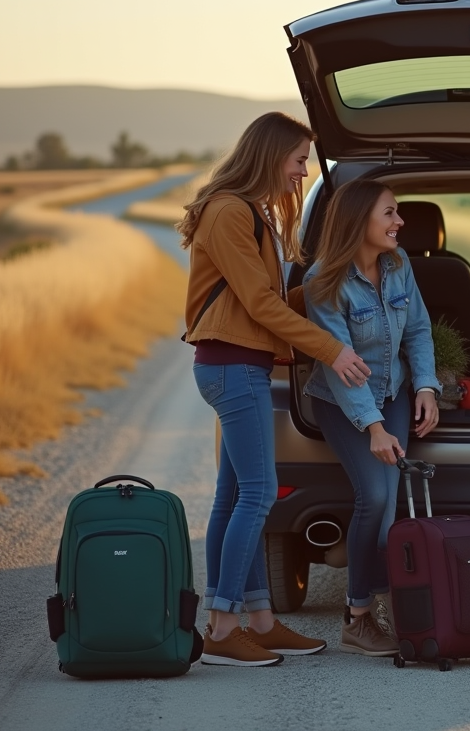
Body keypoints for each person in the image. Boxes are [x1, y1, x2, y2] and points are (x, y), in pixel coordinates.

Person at [178, 112, 372, 667]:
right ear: (270, 157)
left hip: (243, 364)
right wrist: (331, 349)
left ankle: (259, 621)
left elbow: (263, 301)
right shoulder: (228, 212)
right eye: (297, 160)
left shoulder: (250, 211)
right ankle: (221, 628)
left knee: (234, 497)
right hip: (232, 367)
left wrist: (330, 298)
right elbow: (259, 304)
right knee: (260, 494)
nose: (303, 171)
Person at [302, 178, 441, 656]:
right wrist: (375, 426)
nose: (399, 222)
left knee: (391, 505)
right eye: (390, 213)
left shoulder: (398, 265)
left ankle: (386, 608)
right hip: (343, 403)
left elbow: (418, 329)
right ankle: (356, 617)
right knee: (376, 495)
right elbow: (338, 367)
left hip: (394, 391)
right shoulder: (323, 281)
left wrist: (425, 386)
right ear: (359, 220)